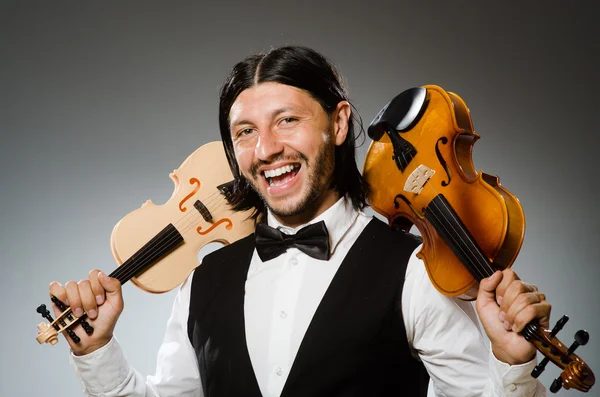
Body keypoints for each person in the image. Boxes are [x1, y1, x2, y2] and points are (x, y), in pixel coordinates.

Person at [50, 45, 551, 396]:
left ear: (338, 123)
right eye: (245, 131)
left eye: (287, 120)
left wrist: (512, 363)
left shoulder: (416, 273)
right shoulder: (202, 283)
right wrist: (97, 352)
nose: (267, 150)